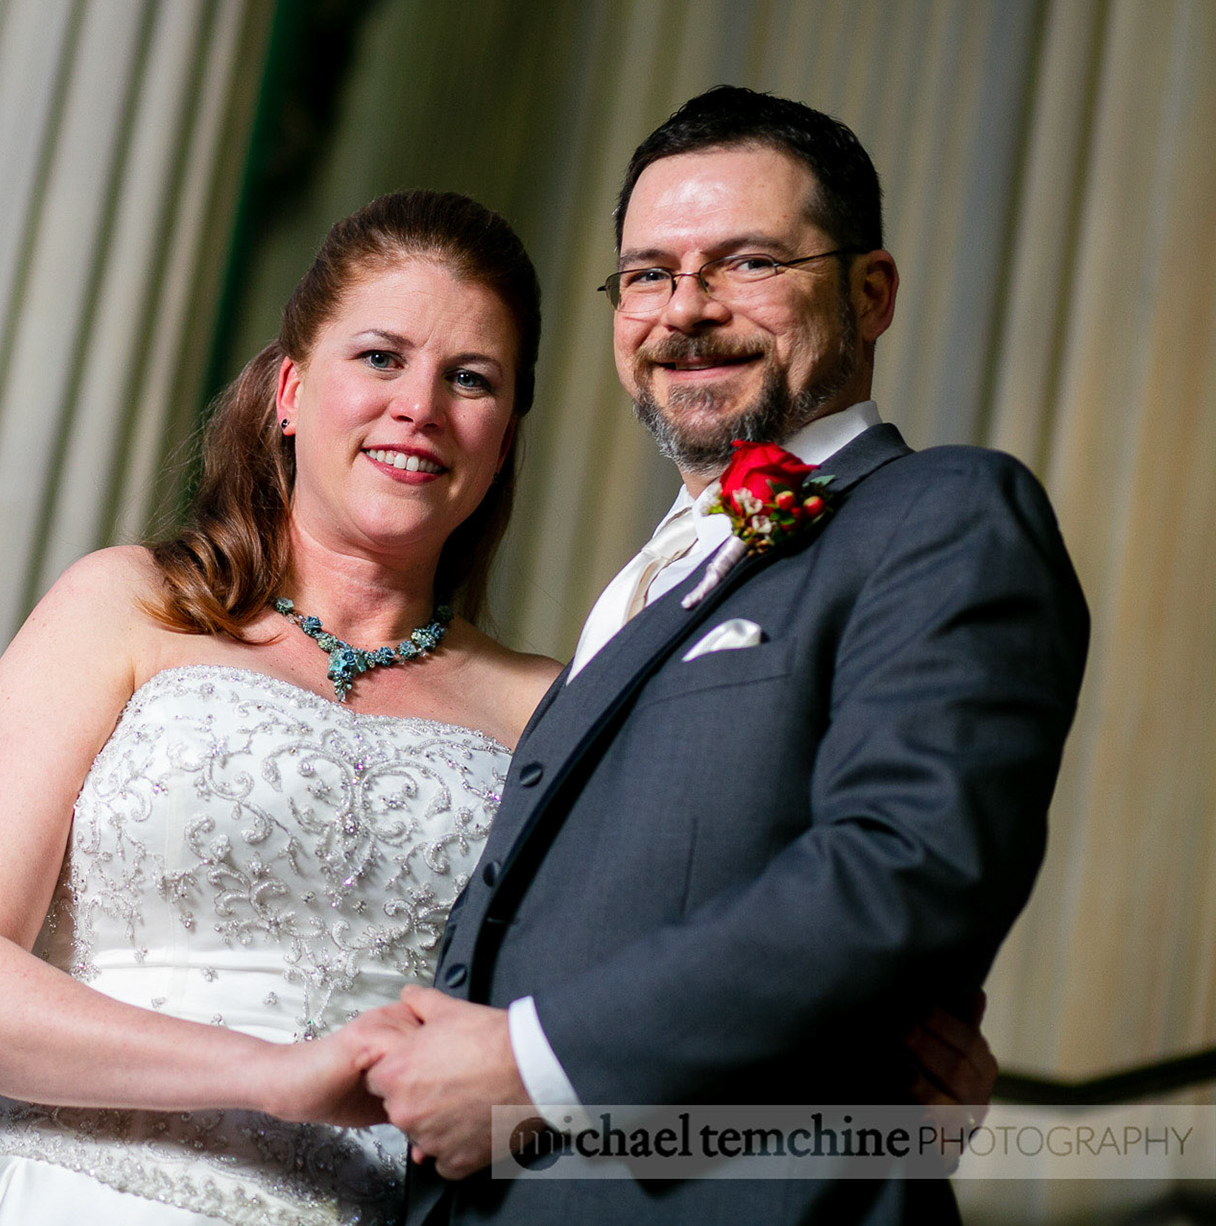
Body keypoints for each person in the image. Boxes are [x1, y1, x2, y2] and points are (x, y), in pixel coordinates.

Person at [0, 189, 996, 1226]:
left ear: (505, 433)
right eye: (380, 357)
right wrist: (273, 1075)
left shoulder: (557, 706)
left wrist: (873, 1102)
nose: (419, 407)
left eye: (472, 379)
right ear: (289, 391)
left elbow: (666, 992)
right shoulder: (126, 605)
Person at [368, 88, 1089, 1225]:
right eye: (648, 274)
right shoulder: (638, 582)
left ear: (871, 291)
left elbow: (907, 864)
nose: (686, 311)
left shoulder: (943, 513)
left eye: (747, 262)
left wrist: (534, 1065)